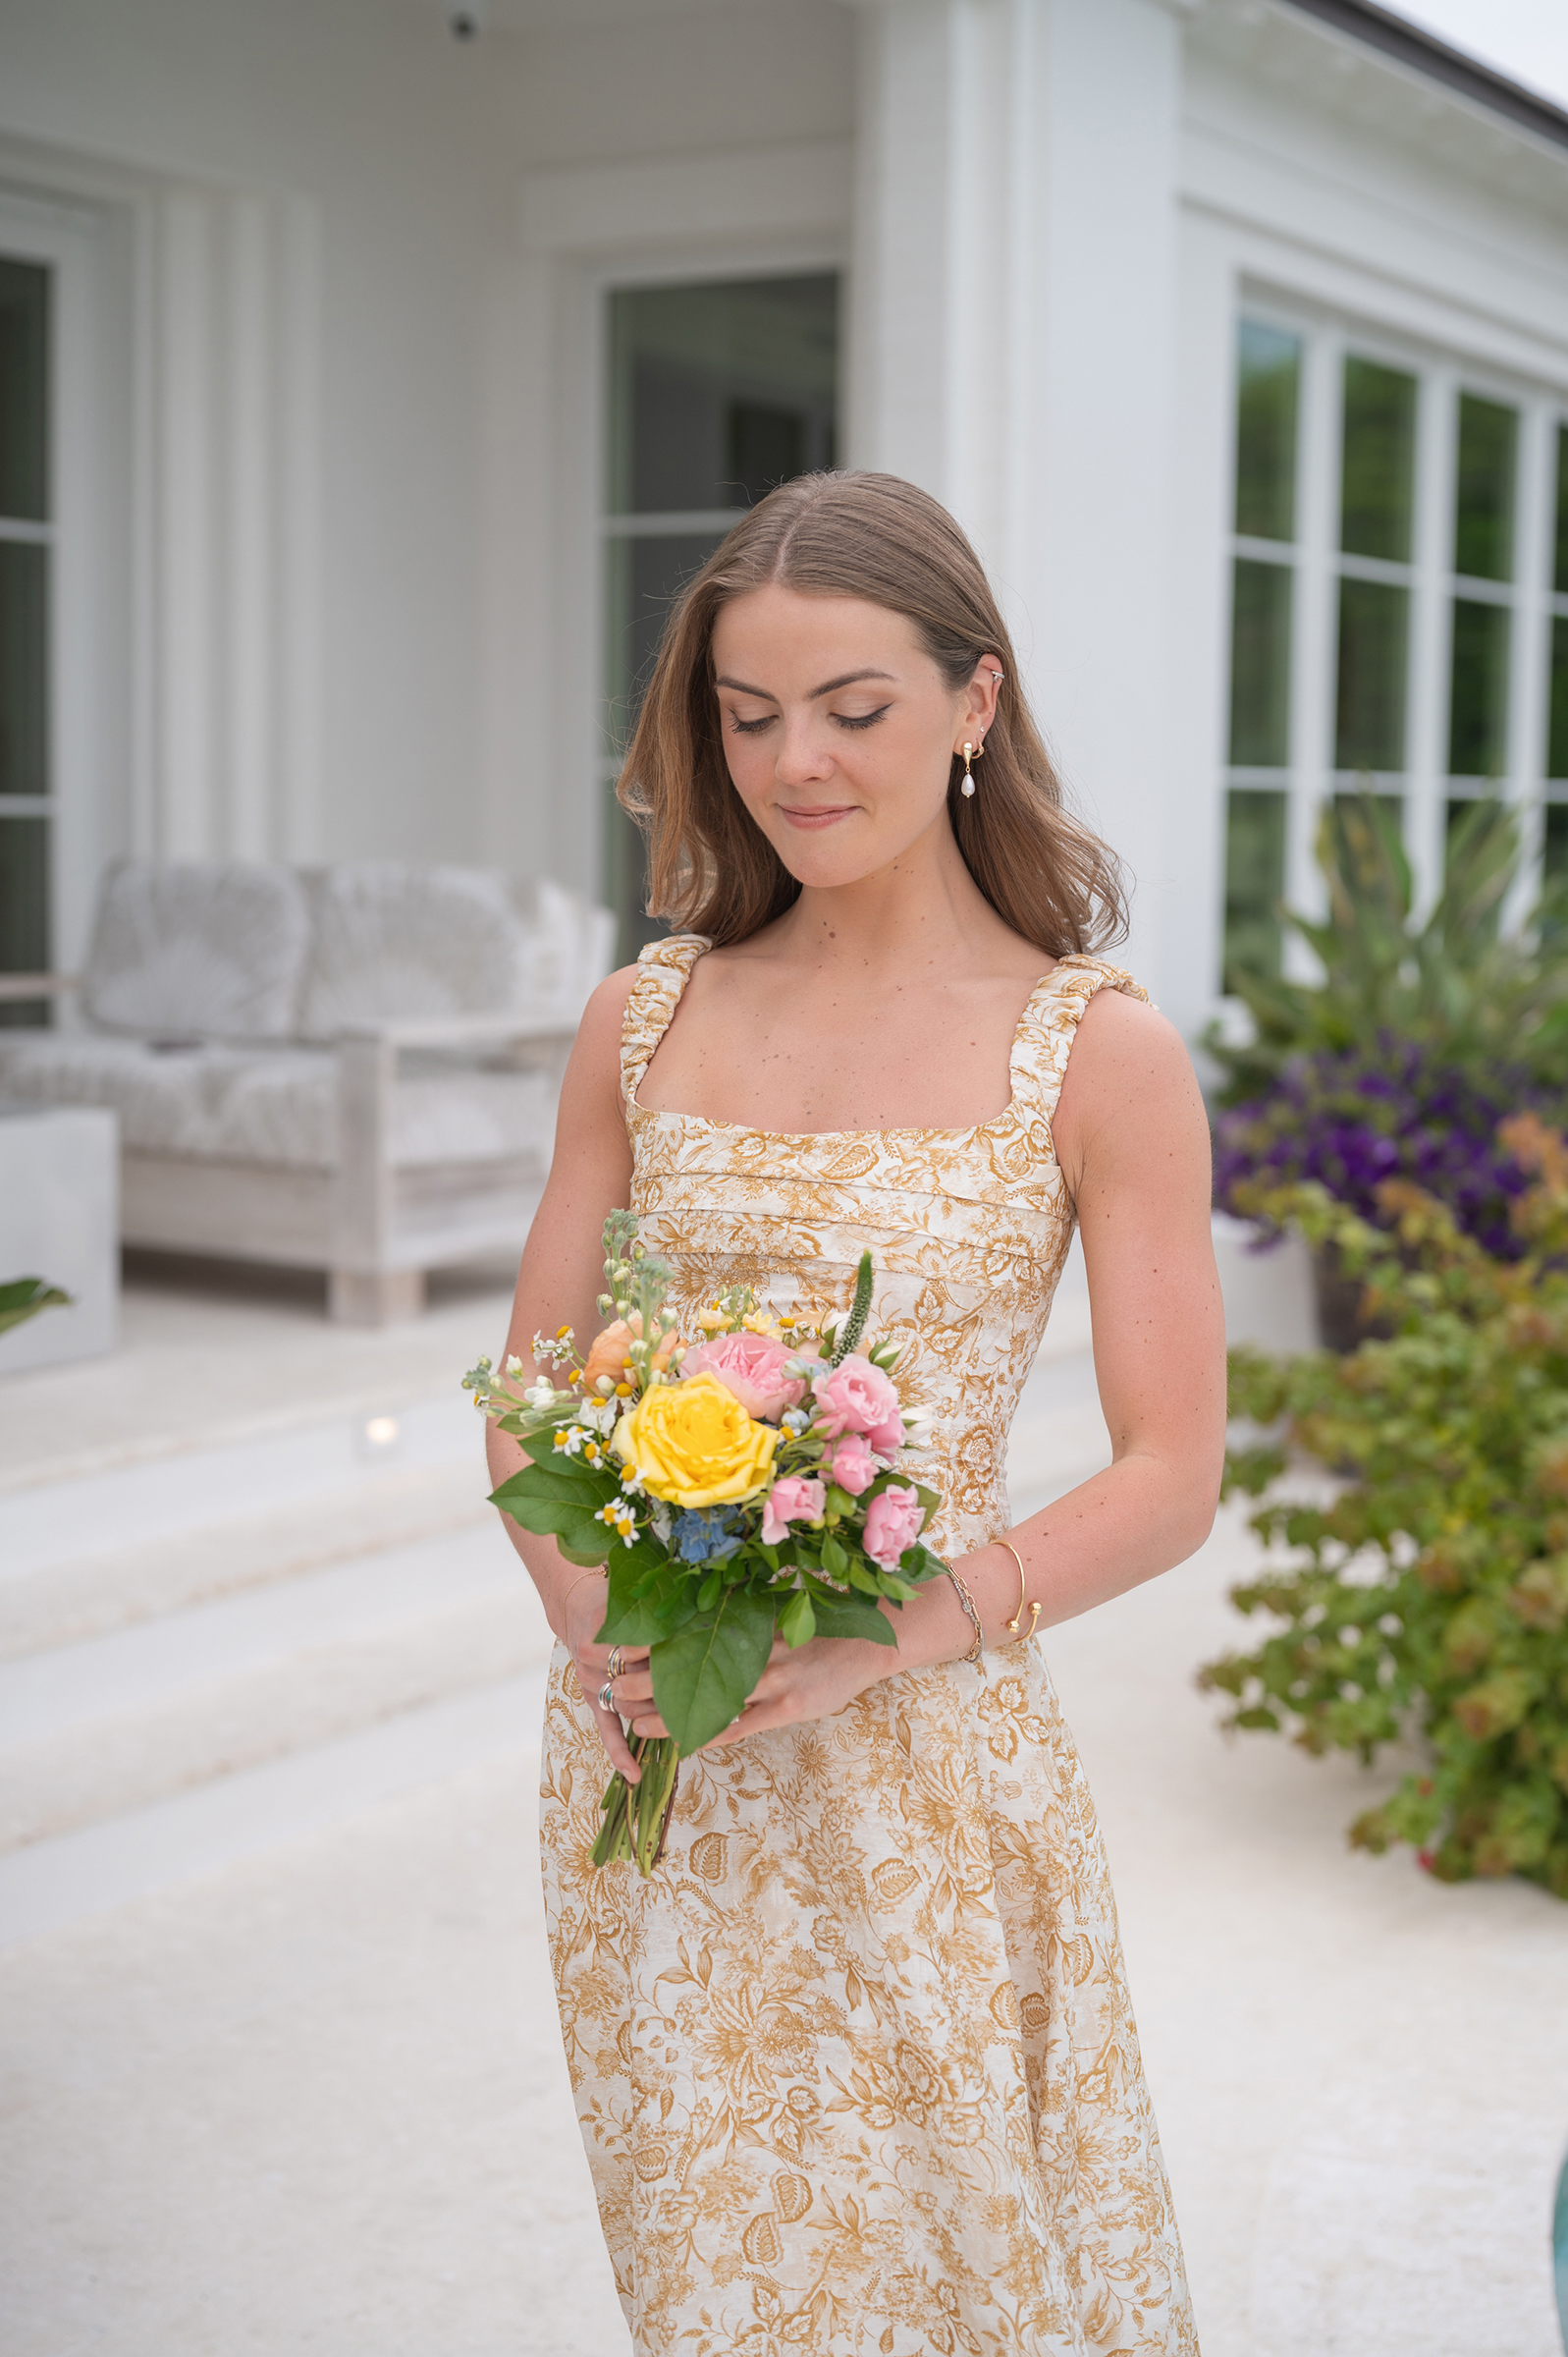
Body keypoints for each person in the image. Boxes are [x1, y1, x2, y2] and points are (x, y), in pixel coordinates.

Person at [489, 470, 1225, 2355]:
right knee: (719, 2276)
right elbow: (532, 1390)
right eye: (747, 718)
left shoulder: (1098, 1050)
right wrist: (602, 1627)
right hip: (655, 1753)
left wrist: (873, 1641)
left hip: (928, 1758)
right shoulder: (640, 1017)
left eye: (851, 709)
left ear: (974, 702)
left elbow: (1170, 1476)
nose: (792, 764)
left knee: (975, 2270)